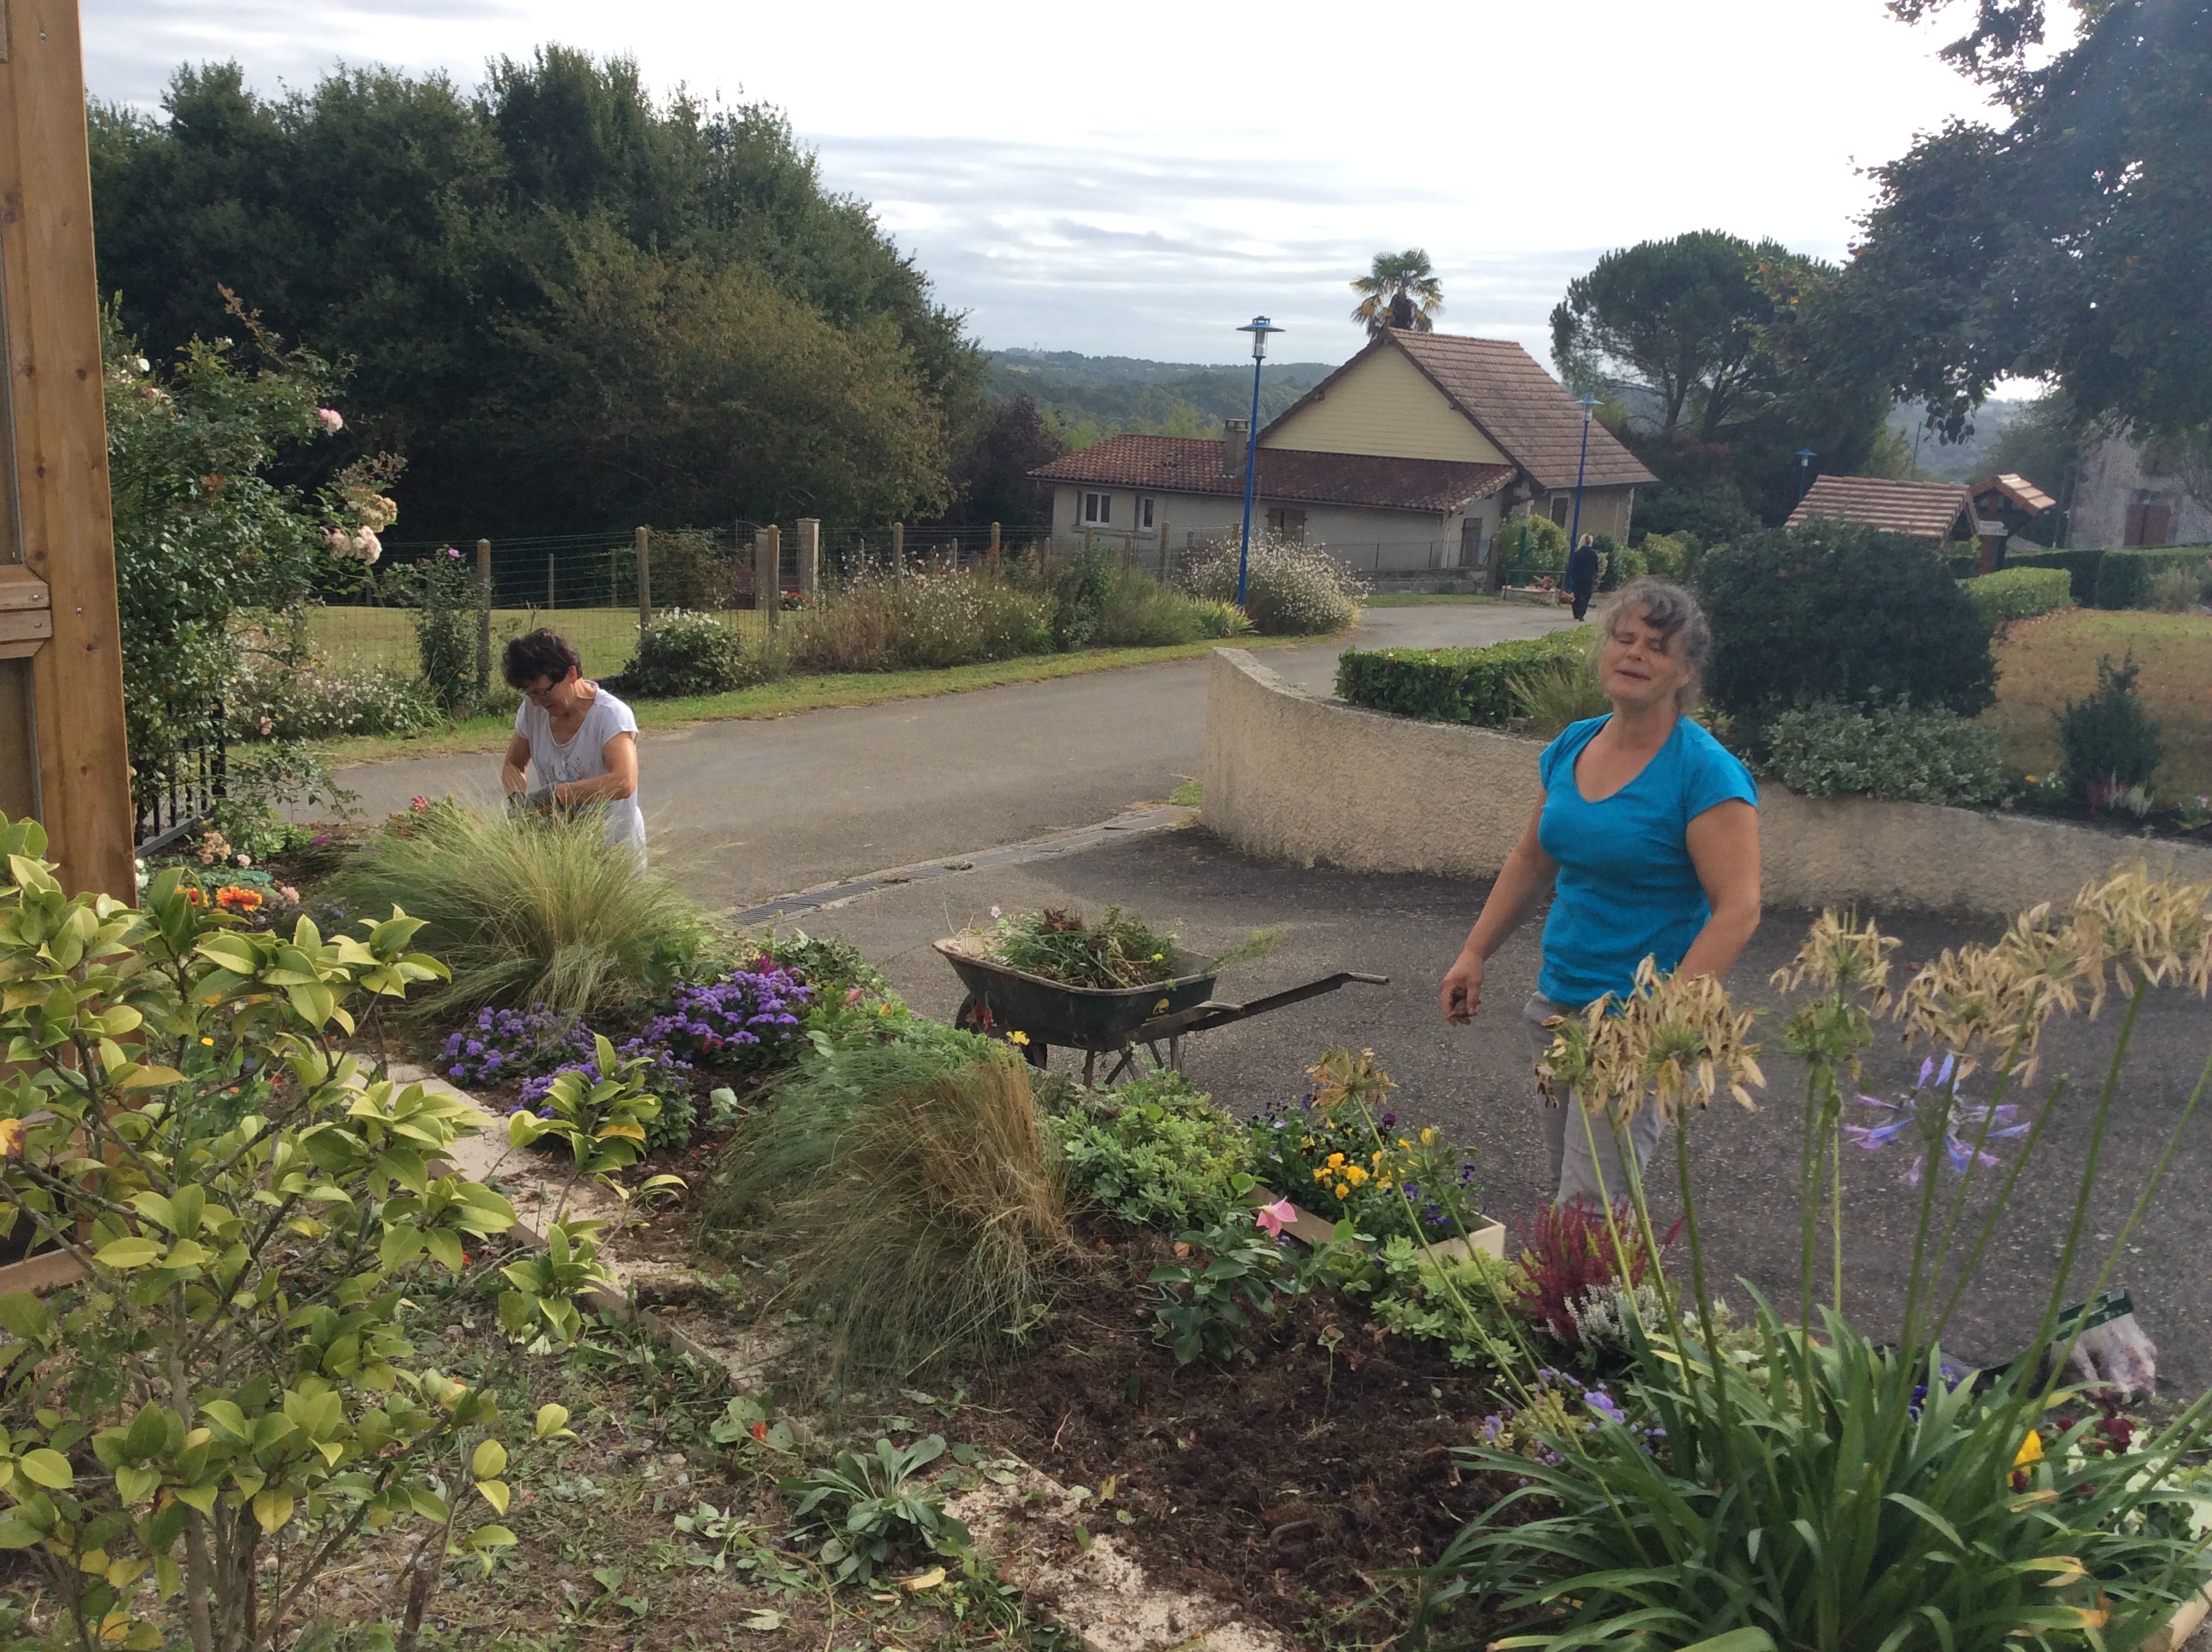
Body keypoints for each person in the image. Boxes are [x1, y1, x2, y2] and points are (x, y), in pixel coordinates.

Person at [1438, 579, 1760, 1208]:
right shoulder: (1573, 744)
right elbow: (1532, 859)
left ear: (1686, 670)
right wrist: (1474, 953)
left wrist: (1659, 1028)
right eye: (1626, 638)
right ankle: (1579, 1306)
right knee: (1571, 1191)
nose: (1636, 654)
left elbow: (1738, 909)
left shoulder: (1705, 772)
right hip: (1557, 1007)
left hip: (1635, 1024)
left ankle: (1589, 1309)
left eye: (1658, 647)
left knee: (1590, 1211)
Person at [499, 628, 645, 864]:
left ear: (571, 674)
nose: (537, 702)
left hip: (614, 856)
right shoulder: (532, 710)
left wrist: (556, 795)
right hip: (563, 855)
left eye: (542, 692)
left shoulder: (610, 716)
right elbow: (514, 764)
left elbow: (623, 781)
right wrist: (517, 800)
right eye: (530, 694)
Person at [1566, 532, 1602, 621]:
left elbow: (1572, 567)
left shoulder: (1577, 554)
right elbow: (1596, 568)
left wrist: (1573, 576)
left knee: (1577, 595)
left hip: (1577, 578)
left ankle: (1576, 612)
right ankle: (1581, 613)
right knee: (1586, 596)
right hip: (1588, 578)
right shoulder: (1593, 554)